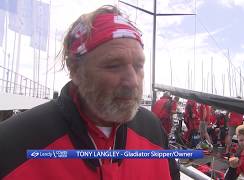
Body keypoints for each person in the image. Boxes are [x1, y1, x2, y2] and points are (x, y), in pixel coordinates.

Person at [0, 6, 179, 180]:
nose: (133, 81)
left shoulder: (152, 130)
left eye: (138, 66)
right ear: (75, 70)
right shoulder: (11, 146)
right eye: (114, 65)